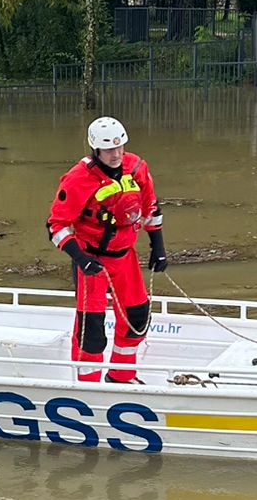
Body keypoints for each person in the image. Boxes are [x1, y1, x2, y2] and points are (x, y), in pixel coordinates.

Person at [46, 116, 167, 384]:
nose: (116, 155)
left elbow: (150, 211)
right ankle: (87, 385)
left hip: (125, 258)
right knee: (92, 331)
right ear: (95, 150)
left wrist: (158, 248)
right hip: (92, 260)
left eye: (120, 147)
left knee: (137, 318)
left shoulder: (136, 168)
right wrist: (80, 258)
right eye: (109, 150)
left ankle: (121, 377)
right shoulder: (79, 179)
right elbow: (56, 226)